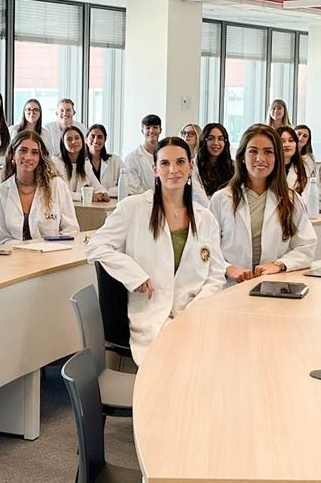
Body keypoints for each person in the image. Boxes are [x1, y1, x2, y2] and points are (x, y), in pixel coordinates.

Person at [86, 137, 227, 364]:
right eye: (165, 163)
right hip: (152, 315)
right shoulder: (134, 208)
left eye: (181, 162)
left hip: (194, 313)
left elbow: (216, 274)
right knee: (178, 361)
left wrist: (195, 308)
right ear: (155, 169)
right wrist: (134, 275)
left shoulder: (205, 218)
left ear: (190, 167)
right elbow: (96, 246)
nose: (173, 170)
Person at [209, 124, 317, 283]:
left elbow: (306, 246)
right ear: (242, 157)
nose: (260, 159)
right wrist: (227, 268)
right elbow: (205, 248)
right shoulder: (221, 199)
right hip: (229, 286)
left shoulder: (291, 199)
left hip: (275, 286)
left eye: (268, 152)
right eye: (253, 151)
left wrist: (279, 264)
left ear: (277, 158)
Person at [0, 130, 78, 243]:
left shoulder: (57, 185)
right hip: (15, 257)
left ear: (40, 157)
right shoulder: (2, 191)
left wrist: (47, 250)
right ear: (13, 154)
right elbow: (1, 238)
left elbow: (71, 230)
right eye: (23, 151)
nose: (28, 157)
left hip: (53, 256)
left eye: (34, 153)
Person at [58, 125, 110, 201]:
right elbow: (59, 192)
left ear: (82, 141)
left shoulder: (86, 164)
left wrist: (103, 194)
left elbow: (98, 187)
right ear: (63, 143)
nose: (73, 141)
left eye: (77, 138)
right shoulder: (56, 163)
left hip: (80, 209)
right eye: (69, 139)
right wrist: (85, 197)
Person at [278, 125, 318, 211]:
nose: (287, 144)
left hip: (297, 213)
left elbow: (306, 195)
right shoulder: (268, 168)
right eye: (282, 141)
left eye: (291, 140)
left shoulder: (303, 167)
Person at [193, 123, 233, 207]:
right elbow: (199, 197)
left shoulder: (233, 166)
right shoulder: (193, 166)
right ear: (204, 140)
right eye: (211, 138)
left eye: (220, 139)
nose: (216, 143)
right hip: (204, 213)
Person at [123, 115, 162, 196]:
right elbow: (134, 188)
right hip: (143, 203)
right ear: (142, 130)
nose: (151, 131)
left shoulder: (166, 155)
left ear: (160, 130)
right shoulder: (132, 158)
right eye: (147, 128)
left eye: (155, 127)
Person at [86, 124, 124, 196]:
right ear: (86, 139)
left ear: (105, 140)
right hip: (86, 204)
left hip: (110, 203)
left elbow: (127, 185)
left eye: (100, 137)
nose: (96, 140)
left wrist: (106, 192)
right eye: (92, 136)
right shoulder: (81, 162)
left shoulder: (115, 161)